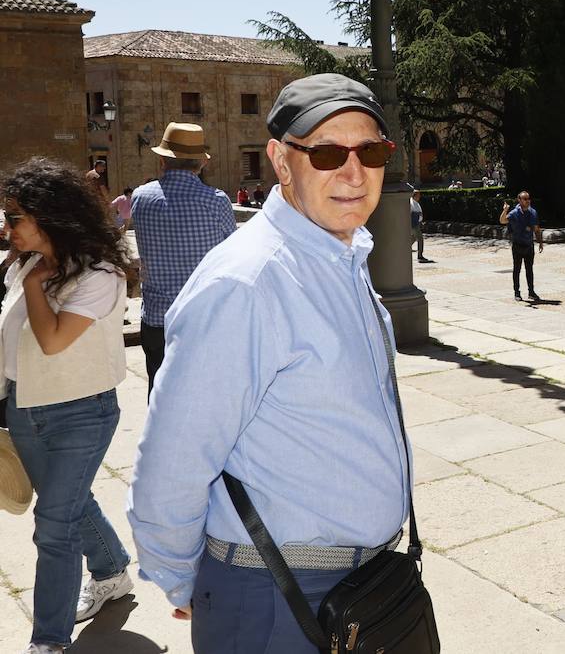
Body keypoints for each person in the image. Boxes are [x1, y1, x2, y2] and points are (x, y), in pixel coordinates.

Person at [128, 73, 412, 653]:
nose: (354, 173)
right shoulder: (248, 283)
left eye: (372, 151)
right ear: (282, 162)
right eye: (329, 153)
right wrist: (180, 576)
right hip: (277, 597)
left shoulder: (338, 256)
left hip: (358, 585)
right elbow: (175, 454)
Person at [1, 157, 135, 650]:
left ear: (49, 216)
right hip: (24, 407)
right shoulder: (26, 263)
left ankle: (49, 639)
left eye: (15, 217)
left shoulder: (98, 275)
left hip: (81, 413)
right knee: (71, 506)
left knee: (53, 527)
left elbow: (52, 340)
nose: (7, 226)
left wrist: (36, 286)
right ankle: (112, 570)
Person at [130, 123, 235, 398]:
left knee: (160, 396)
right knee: (208, 398)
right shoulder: (216, 201)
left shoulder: (141, 198)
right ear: (200, 163)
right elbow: (231, 254)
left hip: (156, 318)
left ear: (162, 160)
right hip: (204, 319)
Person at [500, 192, 542, 301]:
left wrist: (540, 242)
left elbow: (537, 228)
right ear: (519, 200)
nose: (527, 201)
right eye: (525, 199)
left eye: (528, 198)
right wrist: (505, 210)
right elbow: (503, 220)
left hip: (529, 245)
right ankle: (517, 292)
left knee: (529, 270)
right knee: (517, 269)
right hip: (518, 245)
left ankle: (531, 292)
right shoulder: (514, 213)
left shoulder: (533, 212)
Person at [411, 190, 434, 263]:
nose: (419, 197)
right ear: (414, 195)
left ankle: (404, 249)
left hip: (416, 223)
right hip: (414, 224)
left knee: (414, 238)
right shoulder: (411, 203)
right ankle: (420, 256)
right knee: (420, 239)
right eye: (418, 195)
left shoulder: (415, 203)